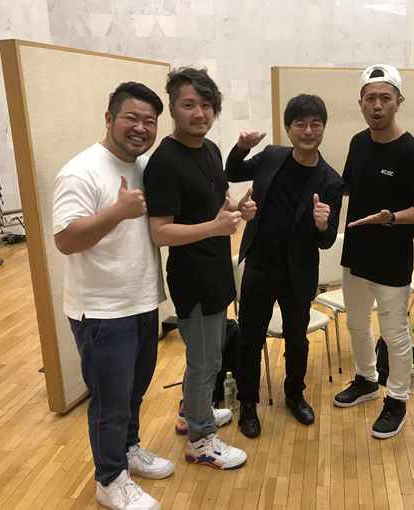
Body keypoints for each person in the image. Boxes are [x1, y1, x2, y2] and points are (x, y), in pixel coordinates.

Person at [53, 82, 172, 510]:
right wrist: (117, 212)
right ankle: (109, 479)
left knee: (133, 391)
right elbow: (66, 240)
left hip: (141, 300)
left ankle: (128, 449)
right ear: (109, 119)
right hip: (102, 311)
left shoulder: (145, 166)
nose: (140, 128)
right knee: (109, 402)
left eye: (149, 121)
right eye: (131, 118)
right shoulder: (80, 171)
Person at [143, 67, 253, 470]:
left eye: (206, 105)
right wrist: (215, 227)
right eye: (188, 104)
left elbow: (215, 203)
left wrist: (238, 208)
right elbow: (160, 232)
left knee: (208, 355)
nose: (199, 113)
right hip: (193, 276)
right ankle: (201, 439)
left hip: (216, 269)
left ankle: (191, 413)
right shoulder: (164, 162)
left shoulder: (210, 150)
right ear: (173, 108)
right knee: (205, 362)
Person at [225, 94, 344, 438]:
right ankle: (248, 403)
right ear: (288, 128)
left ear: (323, 128)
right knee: (249, 340)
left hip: (298, 273)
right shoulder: (271, 156)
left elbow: (326, 240)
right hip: (260, 265)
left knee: (297, 341)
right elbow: (233, 172)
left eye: (315, 124)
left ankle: (295, 395)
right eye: (300, 124)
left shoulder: (331, 181)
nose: (308, 131)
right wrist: (241, 147)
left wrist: (322, 225)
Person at [332, 64, 414, 439]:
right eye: (371, 98)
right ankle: (366, 379)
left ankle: (397, 400)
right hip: (356, 254)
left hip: (391, 258)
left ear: (398, 101)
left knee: (394, 335)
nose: (377, 105)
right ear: (361, 103)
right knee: (357, 323)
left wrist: (391, 218)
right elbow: (347, 185)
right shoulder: (358, 143)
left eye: (385, 98)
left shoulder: (412, 153)